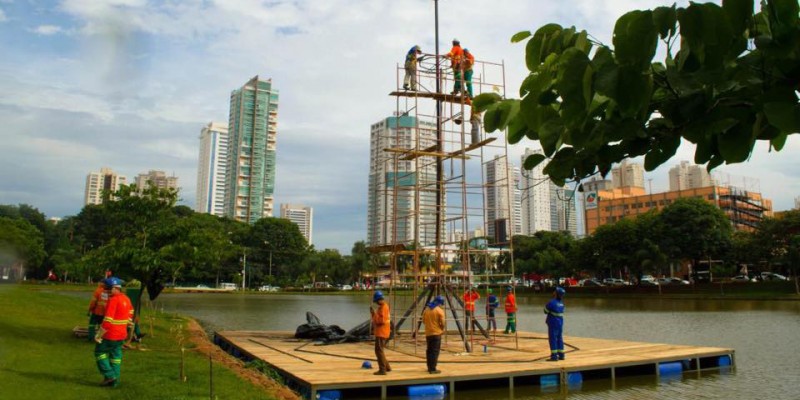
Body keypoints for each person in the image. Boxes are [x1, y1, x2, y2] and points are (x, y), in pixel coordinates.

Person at [94, 277, 134, 387]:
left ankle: (110, 375)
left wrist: (99, 335)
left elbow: (108, 320)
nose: (106, 291)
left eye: (108, 289)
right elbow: (131, 310)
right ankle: (114, 383)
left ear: (115, 288)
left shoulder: (113, 300)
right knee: (115, 357)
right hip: (121, 334)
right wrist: (128, 320)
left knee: (99, 352)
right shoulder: (126, 298)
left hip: (110, 334)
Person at [422, 295, 446, 374]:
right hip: (436, 333)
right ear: (440, 303)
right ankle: (433, 369)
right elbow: (442, 323)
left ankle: (429, 367)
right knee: (435, 351)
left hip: (428, 333)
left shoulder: (427, 309)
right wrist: (441, 329)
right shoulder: (439, 310)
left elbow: (424, 321)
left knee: (429, 351)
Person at [370, 290, 391, 375]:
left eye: (376, 301)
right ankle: (387, 367)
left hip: (381, 333)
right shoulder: (384, 307)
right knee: (380, 350)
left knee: (378, 351)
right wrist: (373, 313)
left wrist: (373, 314)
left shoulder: (383, 308)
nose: (376, 303)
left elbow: (380, 321)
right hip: (383, 332)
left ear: (379, 299)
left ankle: (382, 370)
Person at [544, 287, 566, 361]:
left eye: (555, 291)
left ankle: (554, 356)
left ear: (556, 293)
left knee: (552, 339)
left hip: (553, 323)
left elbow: (545, 311)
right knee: (559, 338)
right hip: (560, 323)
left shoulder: (552, 302)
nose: (553, 292)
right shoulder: (562, 304)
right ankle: (561, 355)